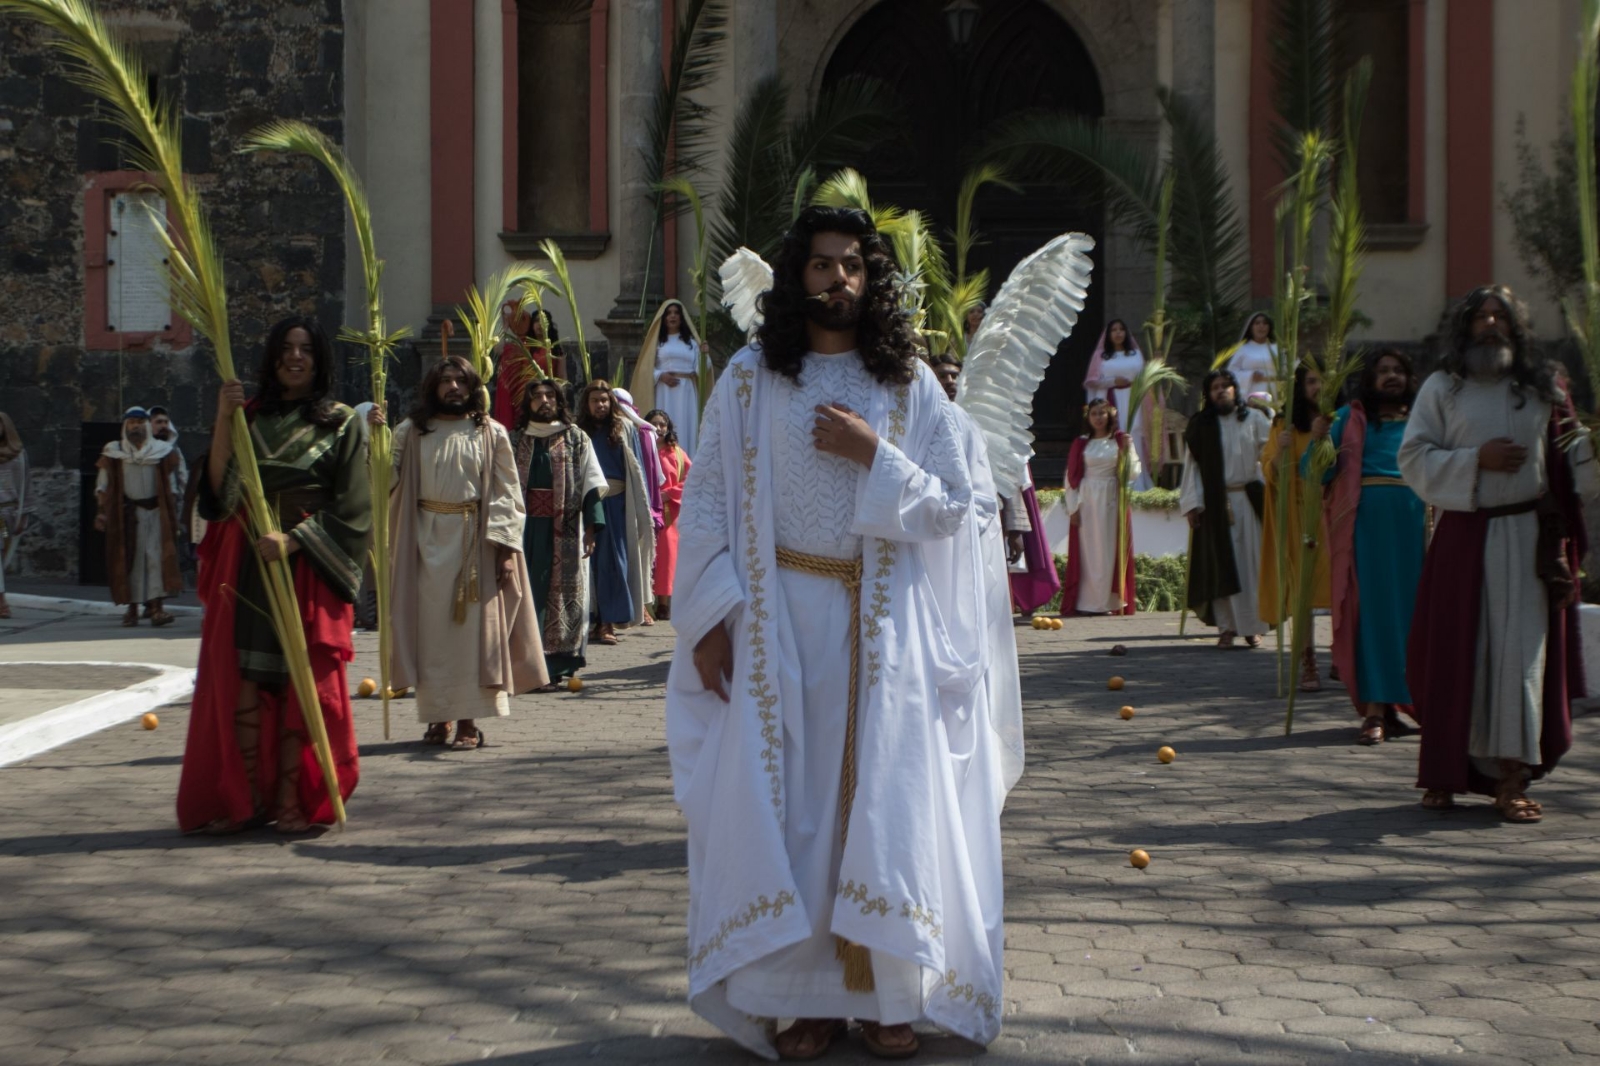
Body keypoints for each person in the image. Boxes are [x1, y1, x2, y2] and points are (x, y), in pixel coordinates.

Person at [666, 206, 1011, 1059]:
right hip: (777, 624)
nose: (838, 280)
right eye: (822, 266)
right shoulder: (751, 380)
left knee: (885, 811)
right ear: (797, 278)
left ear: (871, 278)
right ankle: (803, 997)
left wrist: (874, 456)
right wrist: (710, 619)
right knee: (798, 816)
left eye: (852, 266)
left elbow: (960, 508)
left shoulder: (909, 387)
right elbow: (706, 496)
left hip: (884, 630)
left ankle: (889, 998)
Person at [1400, 286, 1598, 822]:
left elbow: (1571, 461)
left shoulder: (1543, 389)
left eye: (1501, 317)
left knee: (1519, 662)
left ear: (1516, 327)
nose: (1491, 324)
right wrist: (1474, 460)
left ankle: (1511, 778)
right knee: (1455, 657)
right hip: (1465, 537)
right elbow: (1413, 456)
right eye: (1481, 316)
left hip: (1527, 541)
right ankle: (1445, 772)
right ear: (1464, 328)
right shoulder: (1444, 387)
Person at [177, 316, 368, 834]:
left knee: (298, 684)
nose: (295, 356)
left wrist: (293, 540)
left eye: (306, 348)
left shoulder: (343, 423)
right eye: (286, 348)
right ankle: (246, 800)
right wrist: (223, 416)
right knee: (243, 681)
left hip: (307, 563)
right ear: (272, 356)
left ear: (319, 358)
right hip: (248, 563)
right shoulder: (250, 417)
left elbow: (355, 508)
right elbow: (219, 494)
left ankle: (291, 800)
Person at [376, 356, 546, 750]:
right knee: (431, 635)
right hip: (425, 543)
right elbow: (385, 482)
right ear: (432, 387)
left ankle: (469, 721)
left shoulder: (490, 432)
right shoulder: (411, 431)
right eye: (445, 381)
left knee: (474, 637)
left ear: (472, 388)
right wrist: (378, 443)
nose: (453, 388)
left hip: (477, 543)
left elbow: (507, 492)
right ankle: (438, 717)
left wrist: (504, 549)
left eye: (460, 382)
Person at [1309, 349, 1426, 745]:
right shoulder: (1349, 420)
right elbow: (1317, 469)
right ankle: (1375, 710)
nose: (1391, 376)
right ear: (1369, 380)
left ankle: (1417, 700)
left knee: (1416, 614)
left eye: (1398, 369)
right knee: (1373, 615)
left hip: (1417, 527)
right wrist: (1320, 437)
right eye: (1383, 371)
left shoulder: (1424, 421)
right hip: (1367, 529)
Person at [515, 379, 608, 689]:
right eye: (537, 396)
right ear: (527, 402)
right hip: (522, 531)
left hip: (563, 531)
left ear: (559, 401)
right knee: (524, 595)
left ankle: (554, 666)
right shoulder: (515, 439)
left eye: (550, 395)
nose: (544, 401)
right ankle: (522, 666)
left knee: (557, 595)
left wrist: (592, 529)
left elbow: (591, 484)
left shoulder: (575, 438)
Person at [1181, 368, 1271, 649]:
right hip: (1215, 504)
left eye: (1226, 385)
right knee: (1219, 565)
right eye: (1215, 387)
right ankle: (1227, 628)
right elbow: (1191, 467)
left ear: (1235, 389)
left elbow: (1269, 459)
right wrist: (1193, 503)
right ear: (1208, 394)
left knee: (1252, 564)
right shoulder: (1201, 425)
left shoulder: (1255, 419)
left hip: (1250, 500)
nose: (1221, 390)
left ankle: (1253, 627)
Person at [1258, 365, 1332, 689]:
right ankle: (1308, 662)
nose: (1318, 387)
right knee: (1303, 593)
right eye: (1312, 381)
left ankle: (1343, 658)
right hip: (1301, 516)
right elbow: (1270, 470)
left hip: (1335, 515)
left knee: (1342, 591)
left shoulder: (1342, 419)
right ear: (1301, 387)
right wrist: (1282, 451)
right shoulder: (1283, 424)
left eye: (1324, 381)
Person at [931, 355, 1029, 568]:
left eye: (954, 375)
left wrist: (1014, 528)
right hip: (939, 525)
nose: (949, 380)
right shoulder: (923, 420)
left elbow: (1006, 474)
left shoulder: (982, 418)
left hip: (984, 520)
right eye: (942, 375)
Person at [575, 380, 653, 645]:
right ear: (587, 403)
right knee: (588, 563)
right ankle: (591, 620)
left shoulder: (623, 429)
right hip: (587, 502)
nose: (600, 405)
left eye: (604, 400)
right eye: (595, 400)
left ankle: (608, 621)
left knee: (614, 562)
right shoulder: (578, 432)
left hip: (617, 505)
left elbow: (637, 470)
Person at [95, 406, 184, 627]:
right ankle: (132, 609)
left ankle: (157, 609)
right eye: (131, 422)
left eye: (139, 422)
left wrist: (174, 514)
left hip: (156, 513)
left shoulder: (162, 451)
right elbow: (103, 485)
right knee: (131, 560)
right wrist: (101, 512)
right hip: (129, 515)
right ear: (125, 426)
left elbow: (171, 486)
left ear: (146, 425)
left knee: (156, 559)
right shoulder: (114, 452)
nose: (135, 426)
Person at [1062, 399, 1138, 616]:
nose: (1097, 418)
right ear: (1088, 417)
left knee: (1108, 549)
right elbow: (1071, 476)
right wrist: (1073, 508)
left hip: (1112, 497)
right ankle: (1087, 602)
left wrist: (1128, 451)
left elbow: (1132, 473)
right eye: (1094, 413)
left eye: (1101, 413)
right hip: (1087, 499)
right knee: (1089, 550)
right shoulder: (1081, 443)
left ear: (1110, 415)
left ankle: (1109, 602)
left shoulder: (1120, 441)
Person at [1083, 319, 1153, 491]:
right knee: (1113, 436)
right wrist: (1113, 381)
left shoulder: (1135, 354)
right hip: (1110, 398)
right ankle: (1114, 482)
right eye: (1114, 330)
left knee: (1133, 434)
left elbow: (1144, 377)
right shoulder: (1101, 356)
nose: (1118, 333)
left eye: (1121, 329)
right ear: (1108, 335)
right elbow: (1092, 381)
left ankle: (1137, 483)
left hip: (1132, 400)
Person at [630, 299, 704, 458]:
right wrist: (660, 375)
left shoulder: (691, 343)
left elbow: (702, 369)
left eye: (676, 313)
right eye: (669, 313)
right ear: (663, 318)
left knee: (687, 426)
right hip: (665, 391)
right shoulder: (657, 343)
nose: (673, 316)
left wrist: (705, 354)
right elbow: (645, 368)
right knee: (665, 423)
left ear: (682, 317)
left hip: (687, 391)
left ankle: (686, 463)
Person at [646, 408, 690, 621]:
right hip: (644, 508)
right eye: (655, 423)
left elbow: (691, 478)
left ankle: (663, 604)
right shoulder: (642, 449)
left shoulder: (677, 453)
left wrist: (669, 494)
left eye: (663, 424)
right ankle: (645, 605)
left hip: (668, 511)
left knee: (666, 557)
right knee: (645, 555)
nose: (659, 428)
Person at [490, 302, 561, 430]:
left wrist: (559, 401)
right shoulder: (522, 346)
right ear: (531, 325)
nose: (540, 325)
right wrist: (505, 326)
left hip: (547, 400)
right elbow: (498, 349)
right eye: (536, 321)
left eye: (544, 321)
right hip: (524, 399)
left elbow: (562, 378)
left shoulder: (556, 349)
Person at [148, 405, 193, 591]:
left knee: (169, 547)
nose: (163, 425)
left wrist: (187, 504)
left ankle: (167, 586)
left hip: (171, 504)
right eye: (158, 422)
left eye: (165, 422)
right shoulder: (143, 449)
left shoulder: (174, 450)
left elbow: (183, 477)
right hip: (148, 504)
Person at [0, 412, 33, 620]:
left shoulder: (18, 455)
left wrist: (24, 515)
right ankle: (2, 602)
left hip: (8, 512)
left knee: (3, 559)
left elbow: (25, 484)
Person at [1227, 312, 1279, 404]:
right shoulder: (1242, 349)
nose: (1261, 326)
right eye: (1257, 323)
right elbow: (1231, 373)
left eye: (1265, 323)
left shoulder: (1278, 349)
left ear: (1269, 327)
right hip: (1251, 393)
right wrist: (1250, 375)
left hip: (1275, 392)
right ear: (1251, 327)